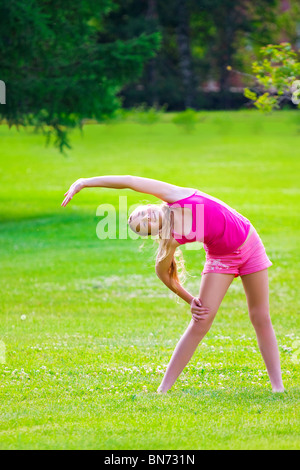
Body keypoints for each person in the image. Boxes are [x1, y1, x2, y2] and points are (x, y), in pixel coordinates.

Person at [61, 175, 284, 393]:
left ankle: (278, 387)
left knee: (260, 316)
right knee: (201, 320)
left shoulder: (174, 195)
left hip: (250, 242)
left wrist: (84, 182)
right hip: (222, 260)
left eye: (142, 213)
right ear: (154, 232)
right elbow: (163, 273)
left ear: (149, 205)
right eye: (144, 224)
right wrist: (191, 300)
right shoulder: (170, 238)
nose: (146, 217)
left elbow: (129, 181)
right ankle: (163, 389)